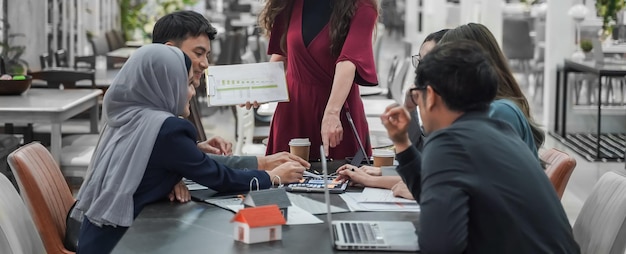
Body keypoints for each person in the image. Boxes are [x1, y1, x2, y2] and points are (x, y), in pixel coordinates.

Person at [72, 44, 305, 253]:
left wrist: (172, 174)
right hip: (124, 243)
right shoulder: (166, 129)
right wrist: (272, 177)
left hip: (96, 236)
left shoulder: (127, 116)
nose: (192, 92)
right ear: (163, 85)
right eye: (186, 83)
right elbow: (217, 177)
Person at [382, 40, 579, 253]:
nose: (416, 103)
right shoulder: (501, 131)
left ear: (430, 96)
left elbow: (440, 246)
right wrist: (402, 142)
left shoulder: (449, 142)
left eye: (416, 96)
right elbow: (432, 194)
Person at [152, 11, 311, 202]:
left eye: (207, 55)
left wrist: (185, 158)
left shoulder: (144, 102)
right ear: (171, 51)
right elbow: (212, 174)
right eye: (198, 53)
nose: (205, 64)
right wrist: (271, 173)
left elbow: (175, 157)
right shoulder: (164, 122)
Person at [259, 0, 379, 160]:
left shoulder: (363, 6)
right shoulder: (289, 3)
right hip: (293, 111)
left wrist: (332, 113)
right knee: (283, 178)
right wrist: (258, 89)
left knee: (343, 178)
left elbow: (348, 61)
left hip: (337, 110)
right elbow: (282, 55)